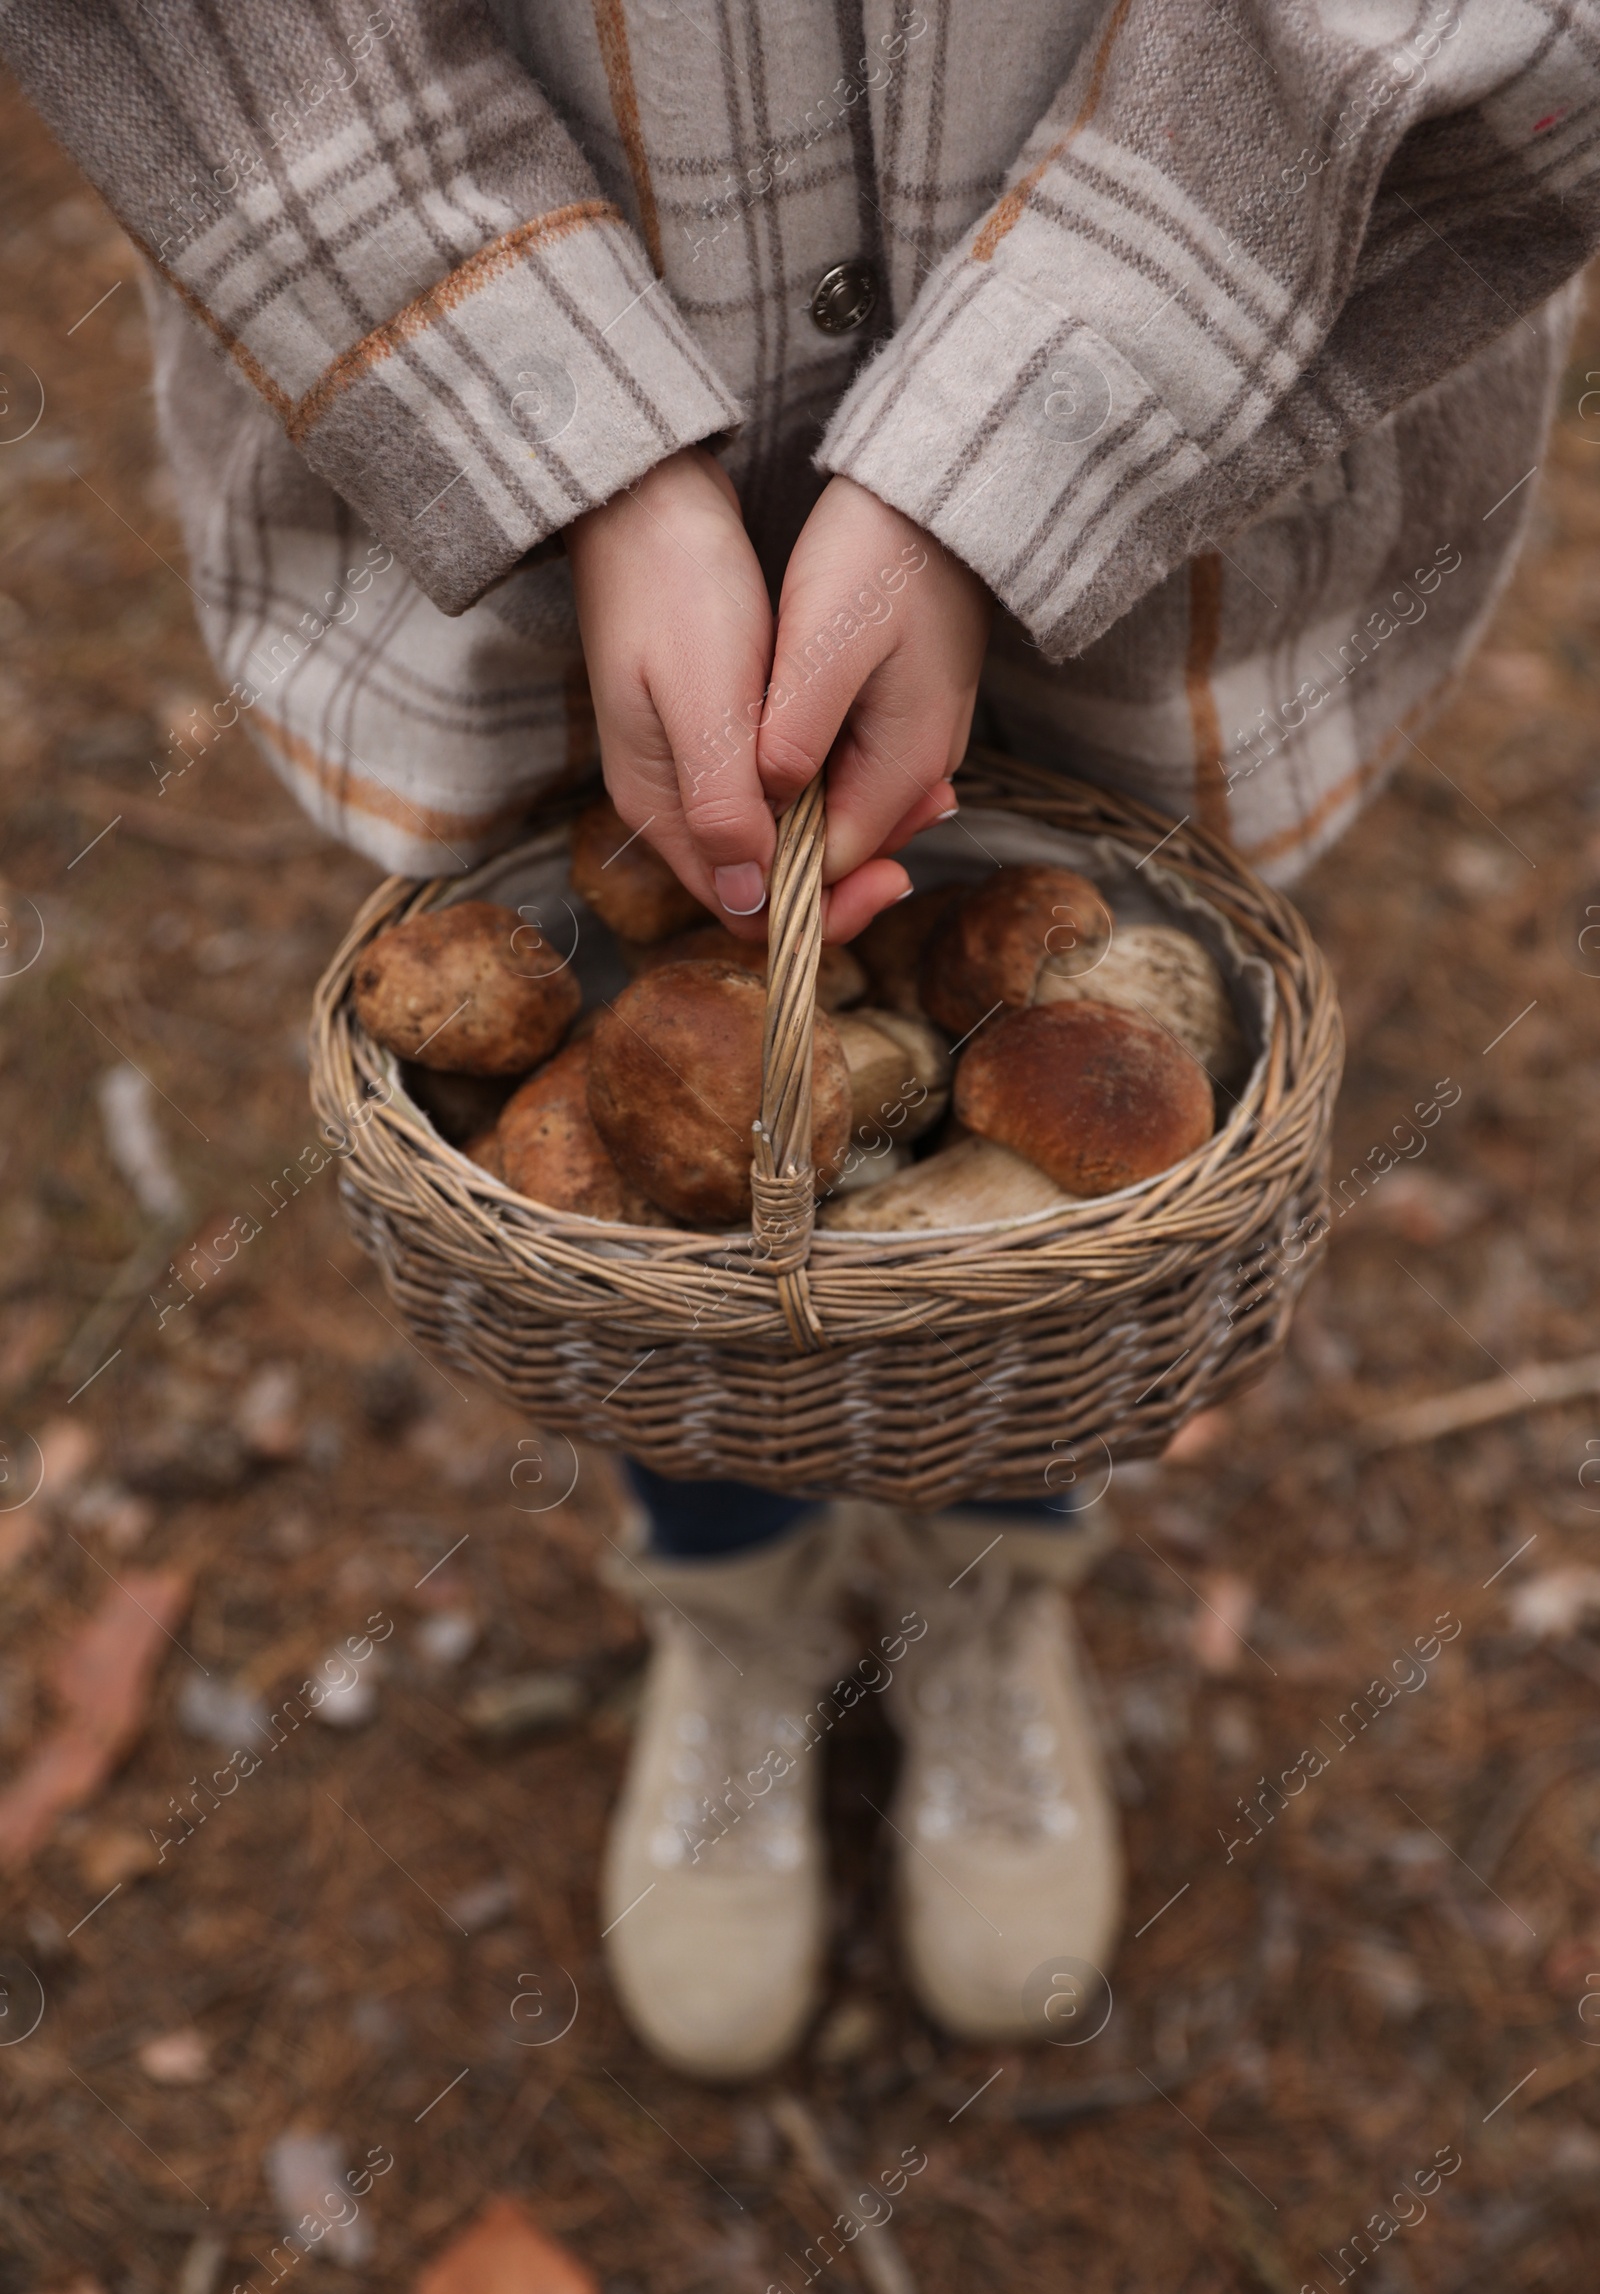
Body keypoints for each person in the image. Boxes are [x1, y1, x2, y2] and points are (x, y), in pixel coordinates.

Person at [8, 0, 1597, 2079]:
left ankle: (981, 1587)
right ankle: (729, 1599)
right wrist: (561, 432)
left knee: (1050, 1215)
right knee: (677, 1241)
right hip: (540, 361)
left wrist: (1017, 450)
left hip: (1178, 395)